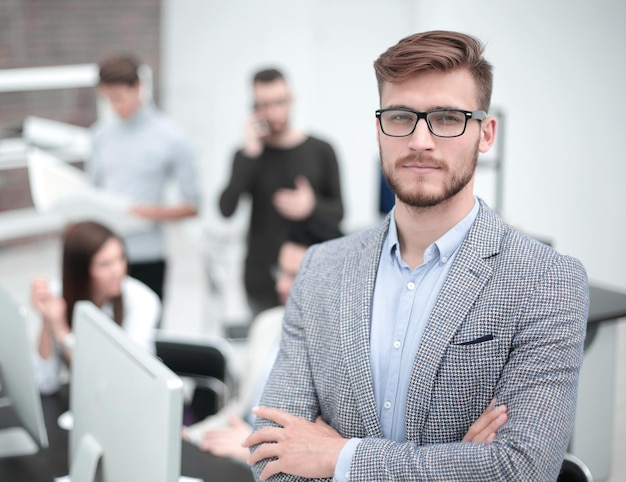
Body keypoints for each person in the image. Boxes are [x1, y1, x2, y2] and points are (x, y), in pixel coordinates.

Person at [243, 30, 589, 481]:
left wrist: (339, 457)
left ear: (485, 133)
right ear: (379, 130)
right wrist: (455, 465)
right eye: (402, 116)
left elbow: (521, 468)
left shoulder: (548, 280)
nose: (421, 140)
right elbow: (272, 457)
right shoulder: (321, 268)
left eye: (447, 118)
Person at [183, 221, 344, 463]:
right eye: (280, 272)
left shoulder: (340, 349)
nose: (280, 285)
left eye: (295, 276)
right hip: (236, 448)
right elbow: (238, 412)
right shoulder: (267, 324)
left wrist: (252, 446)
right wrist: (191, 436)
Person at [219, 68, 344, 317]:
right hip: (261, 279)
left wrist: (312, 207)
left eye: (279, 102)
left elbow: (339, 212)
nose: (273, 111)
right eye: (264, 104)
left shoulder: (321, 150)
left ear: (291, 100)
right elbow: (226, 209)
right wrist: (250, 153)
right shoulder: (247, 155)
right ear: (254, 108)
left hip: (311, 277)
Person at [87, 54, 201, 302]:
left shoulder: (171, 137)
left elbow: (193, 206)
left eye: (119, 98)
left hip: (147, 256)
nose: (115, 106)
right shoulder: (100, 135)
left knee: (144, 336)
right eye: (108, 99)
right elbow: (92, 191)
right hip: (102, 255)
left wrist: (143, 213)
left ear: (138, 87)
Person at [31, 221, 160, 395]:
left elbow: (119, 379)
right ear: (80, 270)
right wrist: (47, 320)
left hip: (134, 396)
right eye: (105, 264)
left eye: (121, 258)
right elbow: (45, 382)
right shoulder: (59, 295)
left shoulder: (141, 300)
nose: (118, 270)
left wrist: (63, 333)